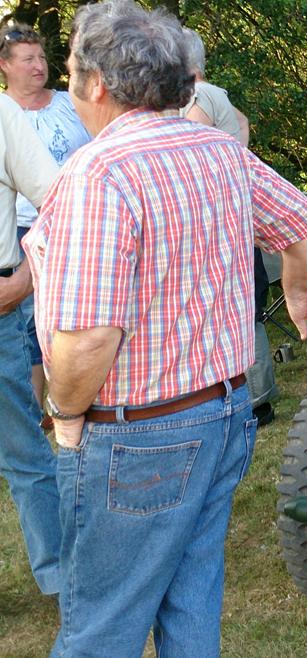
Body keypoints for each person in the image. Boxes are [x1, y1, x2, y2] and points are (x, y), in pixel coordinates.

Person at [22, 1, 307, 654]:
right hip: (225, 416)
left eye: (71, 66)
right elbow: (302, 222)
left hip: (137, 437)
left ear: (97, 83)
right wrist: (302, 294)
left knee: (101, 628)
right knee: (191, 605)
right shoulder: (218, 150)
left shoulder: (100, 173)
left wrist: (66, 412)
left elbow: (90, 336)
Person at [180, 26, 278, 426]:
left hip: (219, 226)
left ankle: (254, 401)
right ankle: (259, 395)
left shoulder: (199, 95)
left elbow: (189, 145)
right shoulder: (218, 93)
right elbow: (243, 120)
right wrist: (239, 159)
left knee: (238, 311)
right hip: (237, 218)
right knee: (246, 306)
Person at [0, 22, 91, 409]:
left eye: (41, 57)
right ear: (4, 65)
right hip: (16, 228)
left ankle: (73, 399)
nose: (38, 66)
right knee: (26, 326)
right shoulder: (5, 114)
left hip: (72, 221)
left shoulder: (69, 103)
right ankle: (36, 409)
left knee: (68, 317)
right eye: (27, 59)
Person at [0, 87, 60, 599]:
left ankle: (62, 577)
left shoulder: (2, 114)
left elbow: (58, 200)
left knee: (22, 451)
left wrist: (25, 277)